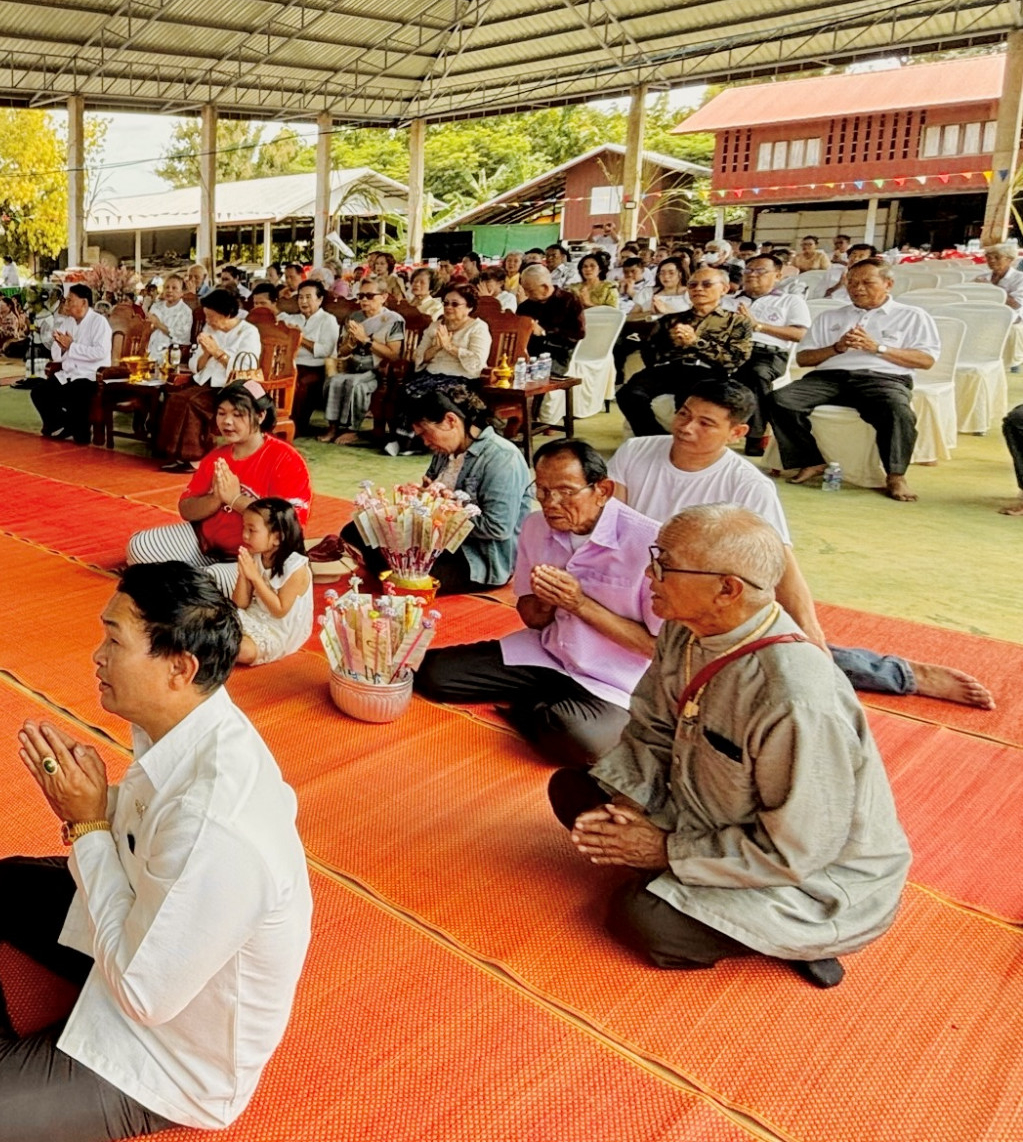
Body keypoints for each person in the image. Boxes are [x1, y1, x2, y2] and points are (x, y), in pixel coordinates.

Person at [0, 561, 311, 1142]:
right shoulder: (191, 724)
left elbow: (145, 996)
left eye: (114, 640)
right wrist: (99, 800)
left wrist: (85, 822)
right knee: (3, 885)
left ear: (178, 668)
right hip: (147, 927)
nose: (97, 655)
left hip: (173, 1044)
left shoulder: (219, 822)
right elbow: (151, 828)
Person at [550, 505, 909, 986]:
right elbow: (651, 727)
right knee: (574, 790)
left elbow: (801, 847)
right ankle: (679, 881)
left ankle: (792, 934)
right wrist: (626, 803)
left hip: (807, 872)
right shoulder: (686, 625)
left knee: (641, 918)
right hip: (703, 811)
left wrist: (663, 850)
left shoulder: (795, 697)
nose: (649, 573)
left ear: (727, 589)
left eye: (664, 565)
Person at [610, 378, 990, 707]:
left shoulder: (747, 484)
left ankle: (900, 674)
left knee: (770, 650)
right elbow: (610, 526)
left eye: (705, 423)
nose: (687, 427)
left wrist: (813, 635)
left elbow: (781, 565)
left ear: (737, 433)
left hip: (701, 593)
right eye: (684, 414)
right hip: (631, 583)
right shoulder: (635, 452)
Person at [414, 441, 658, 766]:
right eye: (542, 491)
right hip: (548, 653)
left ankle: (544, 708)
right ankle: (542, 705)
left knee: (581, 742)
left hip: (611, 679)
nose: (551, 503)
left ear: (602, 490)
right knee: (433, 673)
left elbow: (657, 649)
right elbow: (531, 617)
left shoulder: (648, 544)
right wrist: (547, 601)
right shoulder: (536, 526)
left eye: (565, 491)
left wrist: (579, 603)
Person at [767, 261, 939, 502]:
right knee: (780, 399)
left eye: (867, 282)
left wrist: (876, 347)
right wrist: (837, 347)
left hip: (883, 378)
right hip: (829, 377)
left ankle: (896, 475)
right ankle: (810, 460)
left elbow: (926, 360)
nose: (857, 288)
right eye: (852, 282)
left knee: (897, 410)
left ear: (888, 284)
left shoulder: (912, 316)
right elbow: (804, 358)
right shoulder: (831, 316)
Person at [339, 381, 527, 591]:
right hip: (436, 542)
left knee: (409, 574)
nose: (426, 443)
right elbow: (429, 496)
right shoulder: (444, 451)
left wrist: (442, 508)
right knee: (357, 530)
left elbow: (498, 528)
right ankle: (396, 568)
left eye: (425, 434)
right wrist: (420, 499)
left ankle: (396, 570)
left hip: (477, 556)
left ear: (450, 420)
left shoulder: (502, 457)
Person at [128, 386, 312, 594]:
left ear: (260, 416)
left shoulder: (286, 459)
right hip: (206, 543)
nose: (227, 422)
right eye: (222, 413)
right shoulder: (217, 456)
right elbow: (186, 509)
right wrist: (216, 498)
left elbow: (289, 525)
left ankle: (194, 579)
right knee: (140, 546)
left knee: (207, 583)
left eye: (238, 414)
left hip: (257, 557)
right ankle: (190, 577)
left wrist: (235, 499)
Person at [615, 267, 753, 436]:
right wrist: (669, 344)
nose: (698, 289)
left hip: (709, 372)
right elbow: (650, 354)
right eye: (693, 285)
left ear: (724, 289)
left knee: (688, 401)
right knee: (628, 393)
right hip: (670, 368)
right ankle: (654, 438)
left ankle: (685, 441)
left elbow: (736, 359)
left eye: (706, 284)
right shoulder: (672, 319)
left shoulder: (736, 322)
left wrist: (696, 342)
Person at [731, 254, 810, 454]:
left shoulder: (790, 301)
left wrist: (757, 325)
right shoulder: (729, 300)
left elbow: (800, 334)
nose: (752, 275)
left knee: (756, 373)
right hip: (730, 350)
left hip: (767, 353)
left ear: (778, 276)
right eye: (748, 270)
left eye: (760, 271)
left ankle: (756, 435)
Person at [22, 286, 113, 443]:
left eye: (70, 300)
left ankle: (78, 430)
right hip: (69, 373)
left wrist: (72, 346)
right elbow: (56, 352)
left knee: (75, 393)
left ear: (84, 302)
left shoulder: (99, 322)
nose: (66, 303)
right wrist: (64, 349)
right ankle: (62, 422)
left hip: (90, 375)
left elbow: (100, 352)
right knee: (39, 393)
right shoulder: (67, 322)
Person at [322, 279, 405, 446]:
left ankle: (352, 430)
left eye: (369, 296)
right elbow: (342, 352)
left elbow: (394, 355)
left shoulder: (393, 320)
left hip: (378, 371)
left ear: (383, 297)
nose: (364, 300)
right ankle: (333, 427)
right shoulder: (354, 317)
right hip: (353, 366)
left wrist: (365, 340)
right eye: (361, 296)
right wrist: (351, 343)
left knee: (355, 385)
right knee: (333, 381)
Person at [230, 497, 311, 667]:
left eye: (252, 530)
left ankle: (211, 645)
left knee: (243, 650)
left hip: (280, 631)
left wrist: (254, 577)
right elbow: (239, 604)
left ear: (277, 538)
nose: (244, 535)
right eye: (244, 528)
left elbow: (279, 610)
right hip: (254, 616)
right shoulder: (257, 555)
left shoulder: (296, 568)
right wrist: (244, 575)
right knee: (211, 618)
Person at [285, 281, 338, 435]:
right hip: (292, 364)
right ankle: (277, 421)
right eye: (300, 297)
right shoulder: (293, 319)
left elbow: (326, 350)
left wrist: (300, 338)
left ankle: (297, 425)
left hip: (316, 366)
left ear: (320, 300)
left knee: (300, 384)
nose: (303, 301)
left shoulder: (328, 320)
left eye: (308, 297)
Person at [410, 286, 490, 380]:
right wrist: (436, 348)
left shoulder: (478, 328)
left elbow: (477, 363)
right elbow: (418, 357)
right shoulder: (435, 326)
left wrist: (449, 346)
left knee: (437, 394)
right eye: (446, 303)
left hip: (461, 379)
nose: (448, 307)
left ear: (470, 307)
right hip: (430, 376)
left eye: (455, 304)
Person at [516, 264, 586, 371]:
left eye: (530, 290)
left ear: (545, 288)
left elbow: (577, 334)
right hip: (525, 355)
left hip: (556, 356)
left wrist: (544, 332)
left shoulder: (569, 301)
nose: (526, 294)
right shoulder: (525, 307)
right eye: (524, 290)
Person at [144, 276, 193, 365]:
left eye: (174, 288)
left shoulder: (185, 311)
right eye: (167, 287)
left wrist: (158, 324)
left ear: (182, 292)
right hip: (150, 349)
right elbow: (147, 326)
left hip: (171, 354)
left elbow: (182, 337)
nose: (169, 290)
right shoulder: (156, 306)